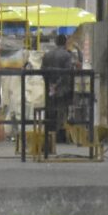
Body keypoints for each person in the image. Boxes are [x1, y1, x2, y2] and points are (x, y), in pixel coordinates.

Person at [41, 28, 78, 156]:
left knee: (49, 111)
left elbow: (42, 70)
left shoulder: (47, 54)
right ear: (65, 42)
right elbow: (67, 73)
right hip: (62, 89)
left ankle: (49, 134)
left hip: (49, 87)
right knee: (61, 112)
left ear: (56, 42)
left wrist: (50, 84)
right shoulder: (67, 55)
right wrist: (58, 85)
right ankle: (59, 135)